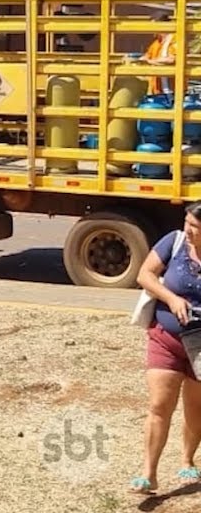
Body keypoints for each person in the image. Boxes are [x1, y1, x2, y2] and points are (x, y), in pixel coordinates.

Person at [132, 200, 201, 494]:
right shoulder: (173, 242)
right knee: (160, 405)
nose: (189, 230)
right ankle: (148, 473)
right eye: (187, 223)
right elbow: (144, 275)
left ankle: (187, 459)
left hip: (200, 343)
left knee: (196, 408)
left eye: (195, 227)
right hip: (167, 339)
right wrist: (171, 298)